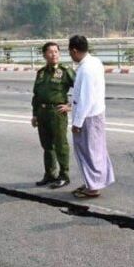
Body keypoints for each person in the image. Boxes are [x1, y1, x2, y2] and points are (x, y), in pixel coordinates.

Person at [69, 35, 114, 198]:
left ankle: (93, 187)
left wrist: (77, 122)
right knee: (97, 150)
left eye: (70, 52)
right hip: (97, 113)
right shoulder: (94, 62)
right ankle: (94, 181)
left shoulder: (86, 69)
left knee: (88, 152)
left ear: (74, 50)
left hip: (88, 116)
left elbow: (86, 99)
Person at [32, 42, 75, 189]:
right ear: (44, 55)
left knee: (60, 144)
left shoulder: (65, 71)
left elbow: (81, 88)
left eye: (56, 52)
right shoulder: (41, 73)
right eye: (50, 52)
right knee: (47, 145)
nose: (54, 54)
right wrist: (35, 115)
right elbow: (36, 95)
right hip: (42, 112)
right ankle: (50, 174)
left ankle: (64, 175)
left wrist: (71, 106)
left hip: (57, 113)